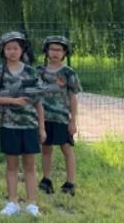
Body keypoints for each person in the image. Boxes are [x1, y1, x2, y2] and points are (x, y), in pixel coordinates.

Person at [0, 32, 47, 217]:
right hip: (9, 125)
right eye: (8, 48)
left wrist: (42, 127)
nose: (12, 51)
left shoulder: (31, 72)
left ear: (22, 50)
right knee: (11, 166)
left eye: (16, 48)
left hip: (29, 125)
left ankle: (31, 204)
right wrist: (12, 101)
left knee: (30, 166)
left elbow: (39, 102)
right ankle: (12, 202)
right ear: (3, 51)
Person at [38, 36, 81, 196]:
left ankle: (70, 183)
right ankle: (46, 180)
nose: (55, 53)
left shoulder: (68, 72)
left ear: (64, 53)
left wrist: (73, 121)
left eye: (59, 50)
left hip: (62, 117)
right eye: (52, 49)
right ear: (46, 51)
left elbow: (73, 97)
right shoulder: (39, 71)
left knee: (66, 148)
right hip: (44, 117)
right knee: (46, 148)